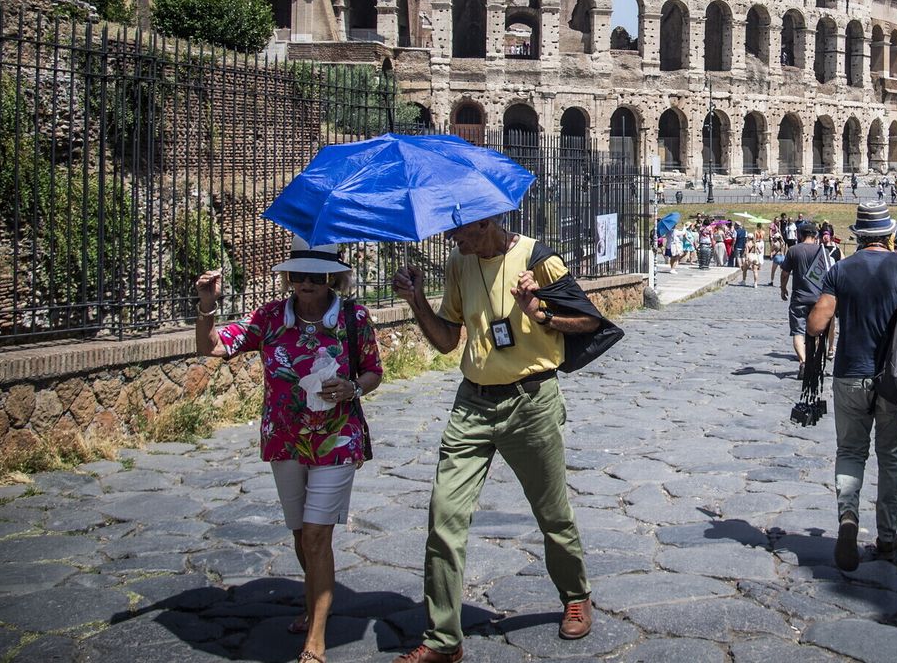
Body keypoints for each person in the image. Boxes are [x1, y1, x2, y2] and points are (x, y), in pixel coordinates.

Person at [390, 216, 605, 662]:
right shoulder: (459, 263)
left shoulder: (537, 258)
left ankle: (575, 595)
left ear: (486, 221)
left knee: (552, 513)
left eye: (459, 230)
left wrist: (539, 312)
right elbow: (448, 340)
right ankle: (443, 640)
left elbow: (588, 321)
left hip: (531, 402)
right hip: (472, 403)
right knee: (443, 514)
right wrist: (415, 302)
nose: (451, 238)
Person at [194, 236, 383, 663]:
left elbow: (373, 372)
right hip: (285, 438)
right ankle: (313, 601)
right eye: (298, 274)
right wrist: (207, 305)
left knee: (318, 534)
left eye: (315, 275)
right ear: (288, 277)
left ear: (333, 276)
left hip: (337, 438)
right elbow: (213, 346)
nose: (306, 282)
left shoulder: (353, 317)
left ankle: (315, 641)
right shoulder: (271, 317)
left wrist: (353, 387)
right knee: (301, 534)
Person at [806, 202, 897, 569]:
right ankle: (888, 538)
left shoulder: (841, 269)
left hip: (849, 372)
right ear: (890, 235)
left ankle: (848, 518)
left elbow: (816, 324)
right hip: (892, 376)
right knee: (890, 456)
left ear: (859, 236)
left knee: (850, 451)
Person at [780, 223, 828, 373]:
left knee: (798, 332)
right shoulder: (823, 251)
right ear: (816, 236)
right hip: (818, 298)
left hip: (799, 297)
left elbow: (785, 273)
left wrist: (783, 288)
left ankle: (803, 361)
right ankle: (814, 359)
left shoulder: (793, 250)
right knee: (818, 331)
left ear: (800, 235)